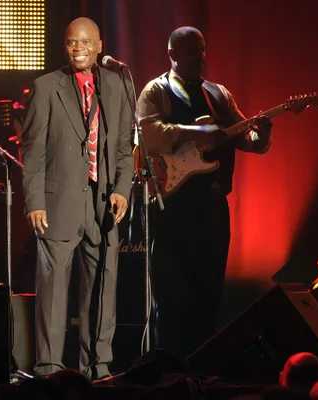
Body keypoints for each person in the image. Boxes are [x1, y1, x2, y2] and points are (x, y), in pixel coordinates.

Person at [136, 26, 273, 359]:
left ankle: (202, 366)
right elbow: (149, 134)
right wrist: (199, 132)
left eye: (202, 49)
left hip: (212, 206)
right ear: (172, 55)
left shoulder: (219, 93)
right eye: (191, 51)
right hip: (172, 206)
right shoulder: (157, 90)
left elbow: (247, 140)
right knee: (172, 297)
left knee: (209, 290)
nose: (200, 56)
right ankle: (169, 368)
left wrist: (264, 133)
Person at [22, 17, 134, 379]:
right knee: (54, 293)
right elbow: (33, 151)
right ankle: (50, 369)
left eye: (86, 42)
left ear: (100, 45)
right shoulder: (46, 87)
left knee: (102, 289)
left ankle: (97, 367)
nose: (79, 48)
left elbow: (122, 149)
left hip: (102, 208)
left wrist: (121, 190)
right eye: (72, 42)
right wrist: (34, 200)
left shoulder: (117, 85)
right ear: (65, 46)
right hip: (57, 205)